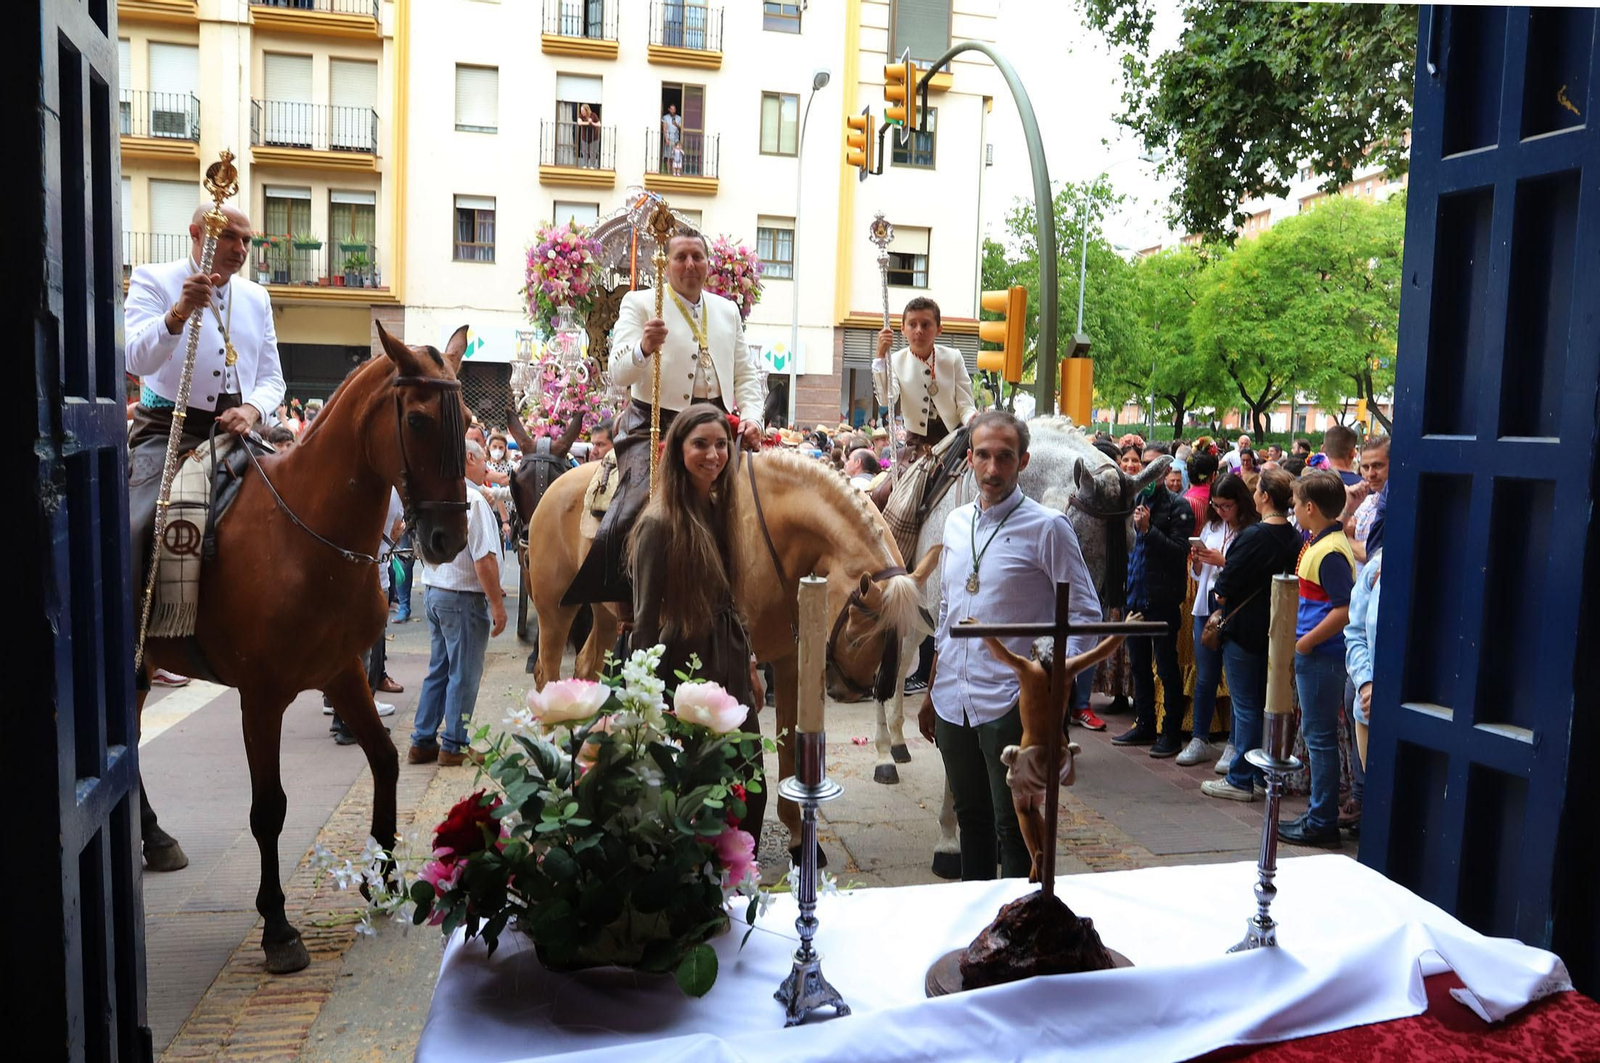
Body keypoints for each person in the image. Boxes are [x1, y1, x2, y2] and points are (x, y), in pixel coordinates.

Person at [917, 411, 1102, 880]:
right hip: (952, 699)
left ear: (1023, 461)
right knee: (969, 820)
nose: (992, 469)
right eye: (983, 456)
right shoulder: (956, 523)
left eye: (1004, 457)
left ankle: (1018, 924)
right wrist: (931, 686)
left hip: (1010, 702)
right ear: (971, 460)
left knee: (1015, 824)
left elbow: (1085, 614)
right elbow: (948, 610)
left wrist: (1055, 685)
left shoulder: (1047, 528)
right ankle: (976, 922)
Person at [125, 201, 284, 692]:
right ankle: (131, 642)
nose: (240, 250)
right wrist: (177, 314)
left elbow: (273, 378)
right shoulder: (154, 279)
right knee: (140, 521)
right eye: (230, 238)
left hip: (238, 428)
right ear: (196, 234)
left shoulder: (256, 297)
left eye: (247, 241)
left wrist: (253, 410)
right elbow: (135, 356)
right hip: (169, 429)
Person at [567, 230, 765, 604]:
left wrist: (754, 416)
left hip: (716, 426)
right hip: (656, 424)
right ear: (666, 264)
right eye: (681, 257)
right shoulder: (641, 303)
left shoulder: (726, 310)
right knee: (639, 505)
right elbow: (617, 373)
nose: (690, 264)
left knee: (761, 498)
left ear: (708, 263)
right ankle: (631, 603)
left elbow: (745, 373)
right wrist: (643, 348)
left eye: (697, 256)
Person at [629, 405, 768, 850]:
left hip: (730, 663)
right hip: (686, 673)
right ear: (677, 452)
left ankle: (738, 868)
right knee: (699, 795)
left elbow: (735, 598)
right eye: (700, 445)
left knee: (752, 787)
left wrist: (750, 663)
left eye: (721, 445)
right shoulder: (658, 522)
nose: (714, 455)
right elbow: (645, 623)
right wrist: (643, 703)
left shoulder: (720, 507)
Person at [1200, 469, 1301, 800]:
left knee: (1246, 705)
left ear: (1265, 497)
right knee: (1261, 703)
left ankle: (1241, 777)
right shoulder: (1294, 536)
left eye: (1257, 490)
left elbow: (1224, 588)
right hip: (1275, 628)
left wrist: (1223, 589)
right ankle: (1259, 772)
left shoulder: (1253, 536)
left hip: (1244, 630)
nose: (1253, 495)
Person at [409, 441, 507, 767]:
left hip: (436, 592)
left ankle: (423, 740)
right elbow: (485, 560)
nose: (486, 471)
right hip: (462, 597)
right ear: (469, 459)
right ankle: (453, 744)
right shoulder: (473, 499)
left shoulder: (436, 495)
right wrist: (497, 604)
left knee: (439, 669)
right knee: (462, 673)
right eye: (483, 464)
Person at [1278, 470, 1356, 846]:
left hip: (1323, 656)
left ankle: (1321, 820)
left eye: (1295, 504)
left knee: (1319, 738)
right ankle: (1318, 814)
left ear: (1310, 507)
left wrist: (1305, 643)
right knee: (1317, 736)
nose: (1293, 510)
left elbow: (1344, 609)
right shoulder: (1323, 542)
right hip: (1318, 653)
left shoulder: (1329, 550)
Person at [872, 296, 979, 562]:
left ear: (938, 329)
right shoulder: (895, 360)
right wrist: (879, 357)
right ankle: (889, 558)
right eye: (913, 324)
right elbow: (887, 398)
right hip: (916, 447)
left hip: (954, 441)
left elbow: (965, 404)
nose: (919, 330)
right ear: (903, 328)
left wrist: (973, 419)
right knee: (882, 494)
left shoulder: (952, 358)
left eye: (926, 324)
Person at [1111, 443, 1196, 757]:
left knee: (1166, 668)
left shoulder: (1178, 506)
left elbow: (1179, 552)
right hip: (1135, 597)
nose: (1145, 471)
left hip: (1161, 601)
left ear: (1165, 471)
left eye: (1152, 466)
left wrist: (1148, 530)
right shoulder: (1133, 502)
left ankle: (1170, 732)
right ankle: (1144, 723)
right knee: (1139, 667)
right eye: (1142, 464)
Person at [1182, 474, 1258, 765]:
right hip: (1207, 606)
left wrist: (1223, 561)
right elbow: (1200, 574)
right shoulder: (1212, 525)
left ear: (1240, 502)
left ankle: (1234, 745)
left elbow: (1248, 569)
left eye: (1227, 505)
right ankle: (1199, 738)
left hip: (1235, 609)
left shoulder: (1250, 530)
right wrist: (1199, 560)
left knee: (1238, 682)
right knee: (1206, 676)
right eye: (1216, 505)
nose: (1222, 511)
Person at [661, 103, 681, 167]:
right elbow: (664, 128)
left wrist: (676, 125)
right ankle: (668, 172)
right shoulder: (665, 117)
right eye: (671, 109)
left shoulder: (679, 118)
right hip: (669, 139)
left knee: (674, 158)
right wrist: (666, 139)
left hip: (676, 141)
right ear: (669, 109)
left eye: (674, 109)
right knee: (668, 157)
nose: (673, 111)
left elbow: (682, 128)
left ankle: (673, 172)